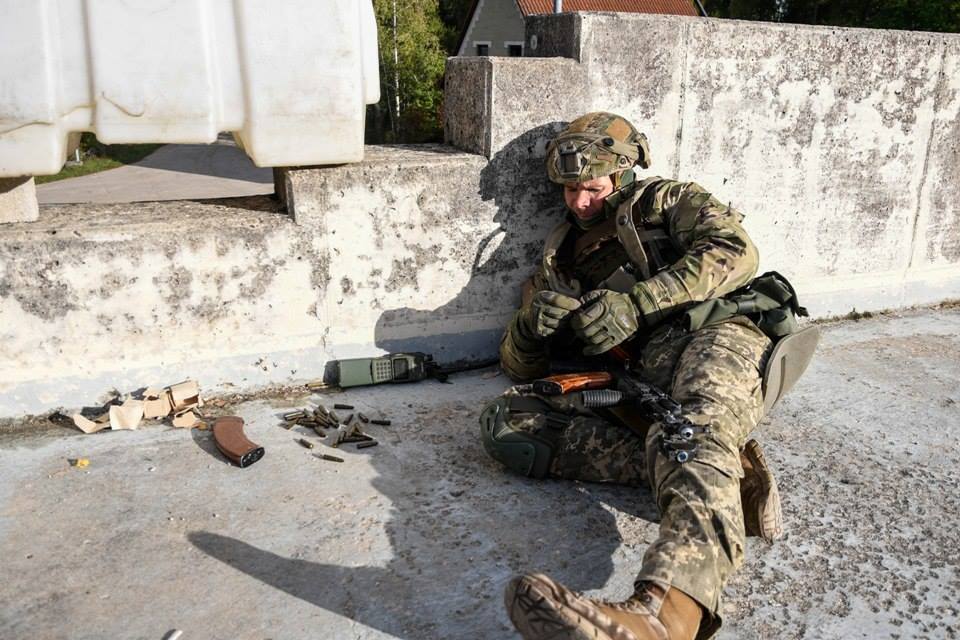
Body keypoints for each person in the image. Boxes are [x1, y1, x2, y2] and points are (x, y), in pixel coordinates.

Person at [480, 112, 808, 640]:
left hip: (717, 334)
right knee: (508, 424)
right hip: (637, 380)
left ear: (623, 172)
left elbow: (736, 252)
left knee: (689, 430)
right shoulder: (558, 259)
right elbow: (519, 367)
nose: (579, 202)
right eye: (569, 190)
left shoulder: (666, 202)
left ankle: (667, 614)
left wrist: (637, 303)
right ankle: (727, 472)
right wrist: (528, 327)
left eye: (592, 187)